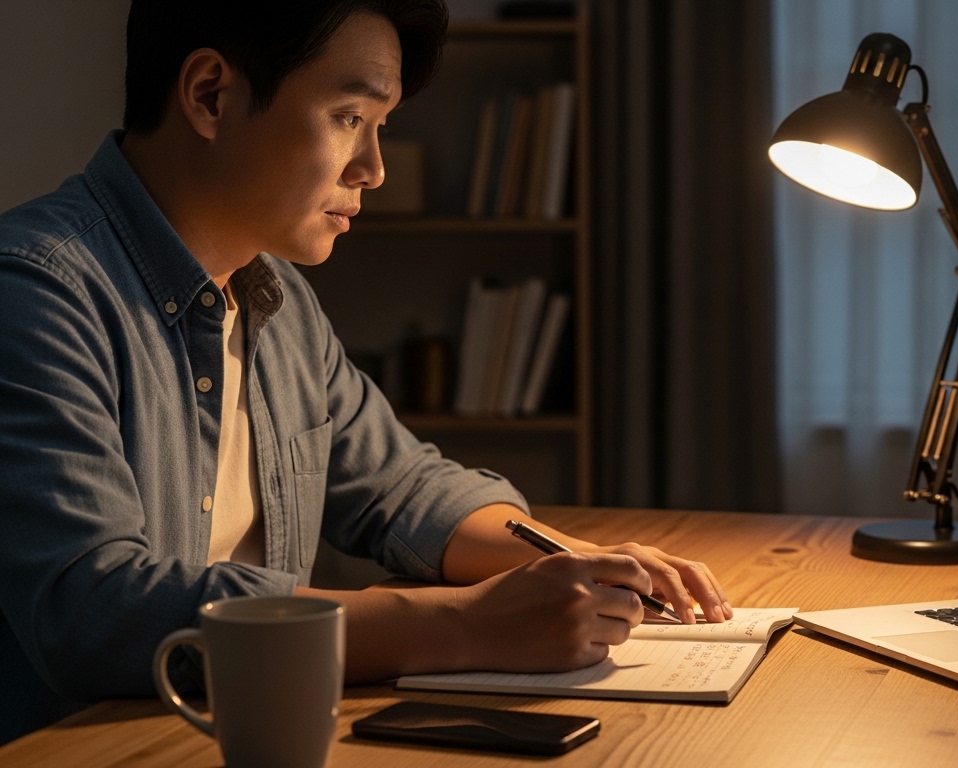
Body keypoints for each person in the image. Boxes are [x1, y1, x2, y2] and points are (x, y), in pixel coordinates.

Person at [0, 0, 731, 745]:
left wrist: (576, 565)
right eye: (351, 117)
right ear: (210, 96)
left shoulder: (275, 299)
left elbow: (404, 488)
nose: (374, 169)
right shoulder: (34, 292)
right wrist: (464, 626)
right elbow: (88, 609)